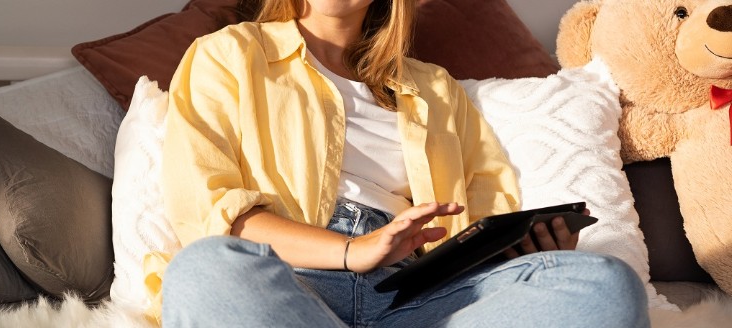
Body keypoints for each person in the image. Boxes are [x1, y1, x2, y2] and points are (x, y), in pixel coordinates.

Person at [153, 0, 650, 327]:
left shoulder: (434, 88)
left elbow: (481, 214)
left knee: (601, 283)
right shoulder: (228, 55)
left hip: (418, 293)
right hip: (292, 285)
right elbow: (212, 213)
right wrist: (353, 250)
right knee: (204, 269)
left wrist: (523, 247)